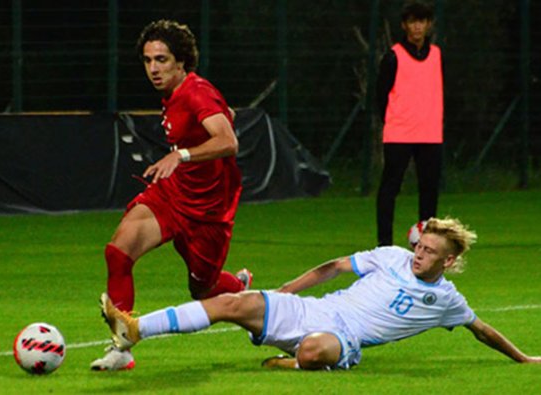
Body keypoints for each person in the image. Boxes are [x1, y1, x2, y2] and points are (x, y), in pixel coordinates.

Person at [99, 217, 541, 370]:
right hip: (314, 308)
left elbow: (480, 330)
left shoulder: (447, 300)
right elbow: (331, 268)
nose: (418, 255)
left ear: (447, 262)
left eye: (429, 252)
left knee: (314, 352)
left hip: (344, 338)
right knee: (232, 304)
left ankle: (294, 364)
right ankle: (136, 328)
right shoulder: (390, 256)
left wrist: (522, 358)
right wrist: (284, 292)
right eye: (419, 246)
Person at [90, 19, 252, 371]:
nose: (153, 68)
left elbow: (228, 142)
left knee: (204, 289)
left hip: (209, 209)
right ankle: (122, 348)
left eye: (161, 60)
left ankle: (242, 288)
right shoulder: (176, 94)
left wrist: (181, 155)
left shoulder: (196, 91)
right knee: (118, 252)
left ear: (182, 62)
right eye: (148, 60)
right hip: (173, 194)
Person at [376, 1, 444, 246]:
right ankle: (384, 244)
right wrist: (394, 121)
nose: (418, 27)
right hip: (399, 134)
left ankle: (428, 243)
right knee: (389, 188)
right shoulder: (393, 57)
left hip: (430, 134)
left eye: (422, 21)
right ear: (405, 25)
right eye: (413, 22)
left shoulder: (436, 55)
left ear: (428, 25)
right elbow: (380, 96)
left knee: (429, 190)